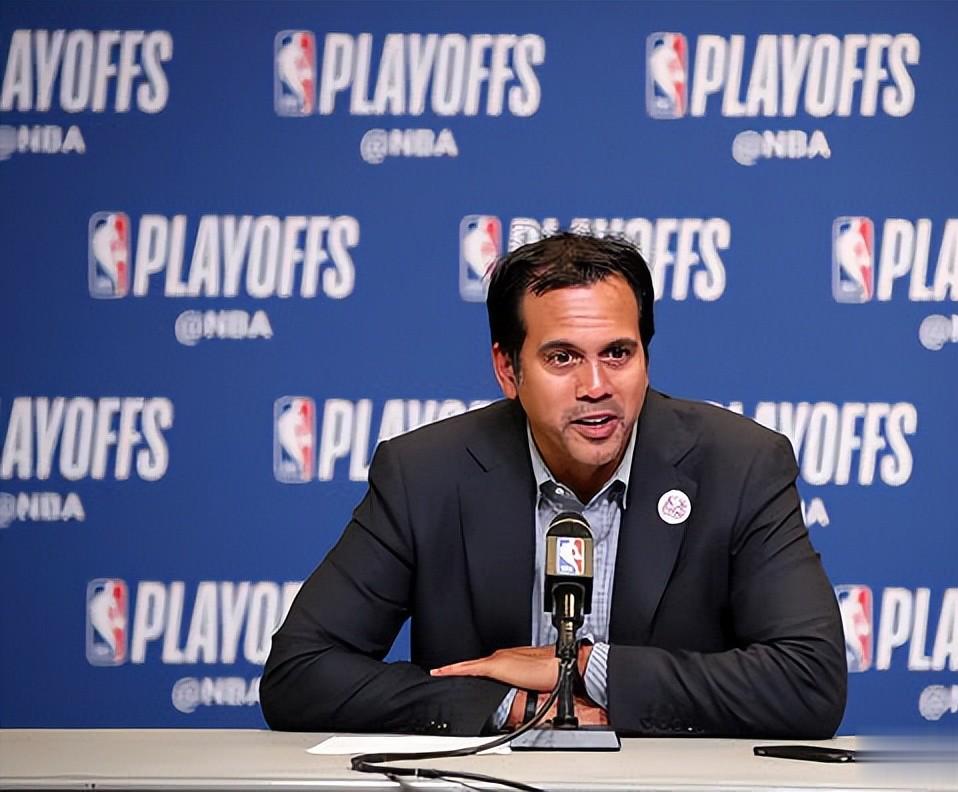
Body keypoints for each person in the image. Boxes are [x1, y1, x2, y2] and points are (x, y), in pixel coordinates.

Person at [261, 233, 847, 737]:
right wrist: (508, 706)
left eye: (618, 353)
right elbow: (300, 673)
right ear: (508, 369)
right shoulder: (425, 474)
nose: (596, 386)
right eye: (562, 358)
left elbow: (810, 681)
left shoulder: (740, 465)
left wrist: (584, 667)